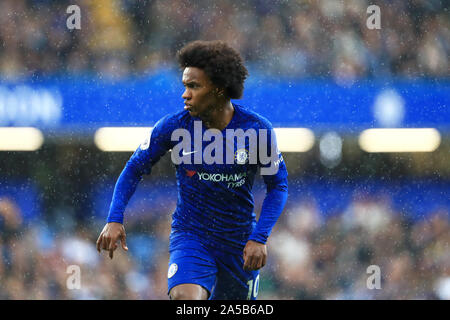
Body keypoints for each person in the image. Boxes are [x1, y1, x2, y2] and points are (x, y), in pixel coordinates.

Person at [96, 40, 288, 300]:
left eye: (194, 86)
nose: (184, 94)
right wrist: (114, 217)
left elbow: (277, 186)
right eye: (185, 85)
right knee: (185, 299)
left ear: (219, 89)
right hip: (192, 236)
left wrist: (260, 237)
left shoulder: (257, 131)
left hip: (239, 243)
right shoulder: (174, 127)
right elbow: (134, 169)